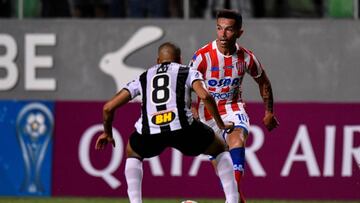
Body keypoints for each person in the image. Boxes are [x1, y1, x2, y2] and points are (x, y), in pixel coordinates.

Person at [95, 42, 239, 203]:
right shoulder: (187, 71)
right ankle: (232, 200)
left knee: (132, 151)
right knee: (220, 148)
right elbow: (205, 96)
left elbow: (108, 108)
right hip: (183, 128)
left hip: (150, 131)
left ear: (158, 61)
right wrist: (220, 124)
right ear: (180, 59)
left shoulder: (143, 77)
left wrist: (107, 132)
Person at [189, 9, 279, 203]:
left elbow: (263, 82)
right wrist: (193, 109)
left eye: (229, 30)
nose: (222, 34)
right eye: (219, 28)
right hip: (208, 117)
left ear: (239, 32)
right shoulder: (202, 57)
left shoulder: (246, 58)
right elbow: (184, 86)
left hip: (233, 109)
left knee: (236, 140)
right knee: (229, 182)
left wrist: (269, 111)